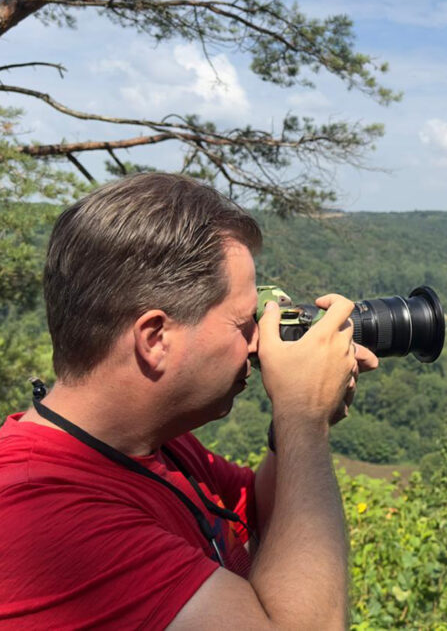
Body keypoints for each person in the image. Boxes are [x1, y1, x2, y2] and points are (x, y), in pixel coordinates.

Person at [0, 173, 377, 629]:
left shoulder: (149, 445)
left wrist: (291, 424)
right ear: (155, 338)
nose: (260, 344)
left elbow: (261, 514)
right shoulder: (46, 517)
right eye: (244, 324)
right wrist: (304, 418)